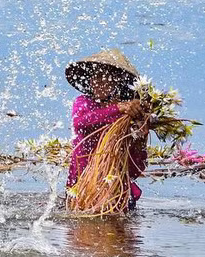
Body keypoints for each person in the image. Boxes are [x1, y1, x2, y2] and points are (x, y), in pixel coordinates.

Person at [64, 48, 150, 210]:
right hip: (82, 185)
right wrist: (118, 108)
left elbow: (136, 168)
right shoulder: (84, 103)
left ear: (117, 82)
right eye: (95, 77)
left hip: (116, 190)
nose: (99, 82)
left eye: (105, 77)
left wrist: (140, 141)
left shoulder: (127, 118)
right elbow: (81, 123)